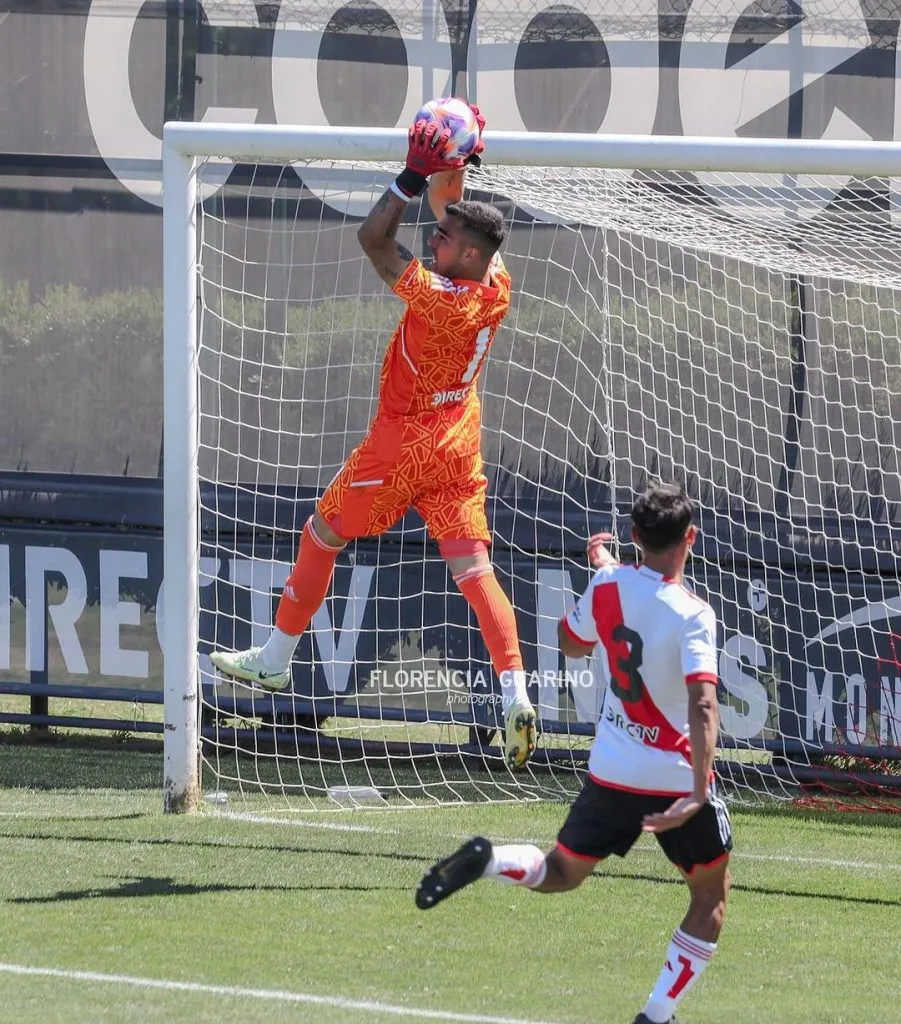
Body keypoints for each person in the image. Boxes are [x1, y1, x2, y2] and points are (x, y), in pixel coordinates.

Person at [211, 105, 538, 770]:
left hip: (404, 444)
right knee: (474, 572)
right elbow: (454, 206)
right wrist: (456, 155)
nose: (434, 238)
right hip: (459, 438)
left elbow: (373, 240)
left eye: (444, 239)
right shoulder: (495, 282)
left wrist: (413, 173)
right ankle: (515, 693)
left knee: (323, 534)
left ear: (466, 256)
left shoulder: (442, 299)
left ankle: (275, 659)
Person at [415, 481, 731, 1024]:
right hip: (674, 777)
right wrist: (699, 792)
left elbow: (571, 642)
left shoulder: (608, 583)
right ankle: (656, 1015)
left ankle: (489, 860)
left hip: (612, 770)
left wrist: (605, 577)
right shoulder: (693, 613)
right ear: (691, 538)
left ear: (634, 536)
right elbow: (704, 706)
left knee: (561, 870)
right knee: (709, 899)